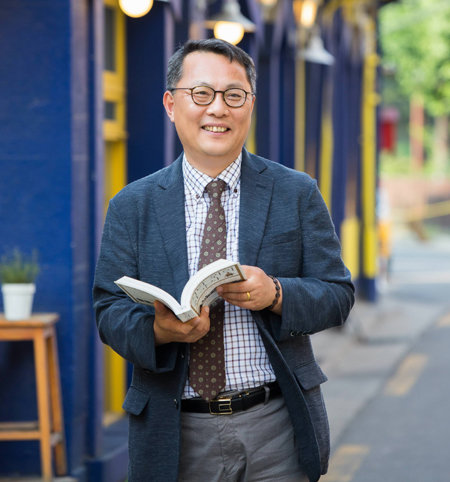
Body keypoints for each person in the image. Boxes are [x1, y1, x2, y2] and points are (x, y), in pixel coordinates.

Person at [93, 38, 354, 482]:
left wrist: (275, 293)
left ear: (249, 106)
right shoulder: (131, 205)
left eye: (234, 95)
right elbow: (108, 311)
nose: (218, 109)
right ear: (171, 104)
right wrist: (158, 329)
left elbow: (338, 294)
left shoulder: (296, 192)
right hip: (174, 429)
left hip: (277, 423)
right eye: (201, 94)